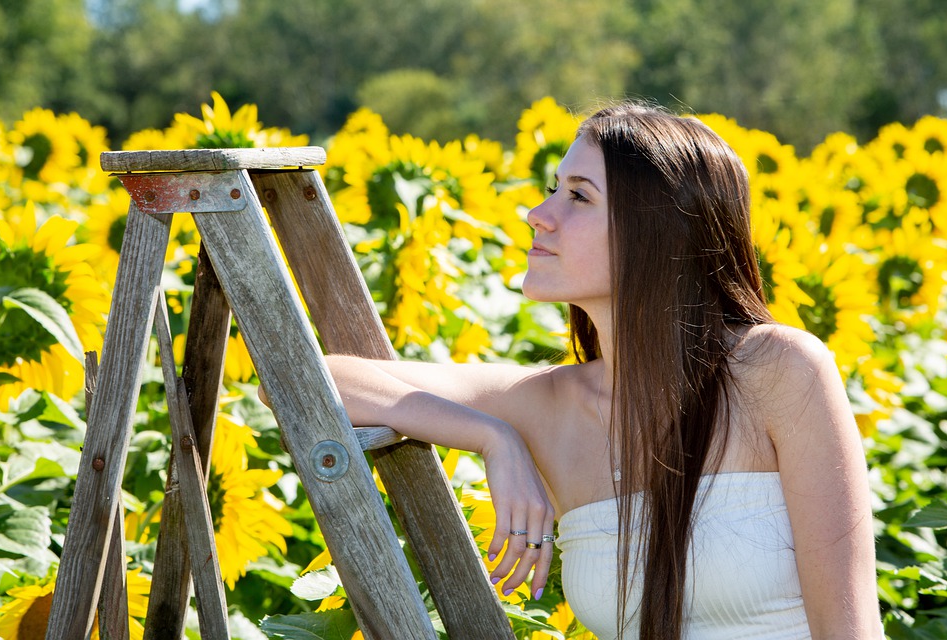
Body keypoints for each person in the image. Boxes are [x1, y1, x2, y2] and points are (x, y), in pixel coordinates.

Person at [293, 103, 884, 638]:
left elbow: (850, 629)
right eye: (554, 189)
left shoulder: (778, 371)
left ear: (658, 230)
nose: (537, 214)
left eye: (578, 196)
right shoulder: (549, 405)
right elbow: (304, 379)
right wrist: (490, 437)